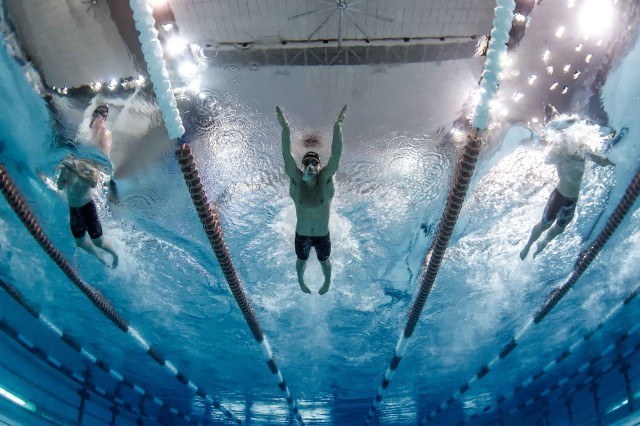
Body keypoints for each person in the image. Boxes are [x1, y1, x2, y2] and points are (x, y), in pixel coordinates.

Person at [520, 104, 615, 260]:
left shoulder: (581, 147)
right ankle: (528, 245)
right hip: (559, 196)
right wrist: (556, 148)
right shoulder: (557, 149)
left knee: (560, 229)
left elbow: (599, 160)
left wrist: (612, 161)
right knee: (544, 224)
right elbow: (547, 160)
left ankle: (542, 244)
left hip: (572, 200)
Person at [276, 105, 347, 295]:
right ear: (302, 165)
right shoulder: (296, 180)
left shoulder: (325, 181)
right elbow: (286, 155)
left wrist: (337, 126)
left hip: (323, 235)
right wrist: (285, 128)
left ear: (319, 166)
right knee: (301, 261)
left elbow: (337, 155)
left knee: (325, 261)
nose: (310, 165)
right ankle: (301, 281)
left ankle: (327, 281)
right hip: (303, 234)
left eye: (314, 162)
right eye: (306, 162)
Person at [57, 156, 119, 268]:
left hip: (87, 208)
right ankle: (99, 257)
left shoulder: (91, 164)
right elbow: (60, 186)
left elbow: (93, 183)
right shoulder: (70, 163)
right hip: (73, 209)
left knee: (98, 243)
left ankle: (115, 255)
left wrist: (73, 170)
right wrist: (63, 170)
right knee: (80, 243)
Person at [89, 104, 118, 202]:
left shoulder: (104, 133)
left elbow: (105, 154)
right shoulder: (96, 130)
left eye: (100, 117)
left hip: (102, 170)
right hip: (100, 169)